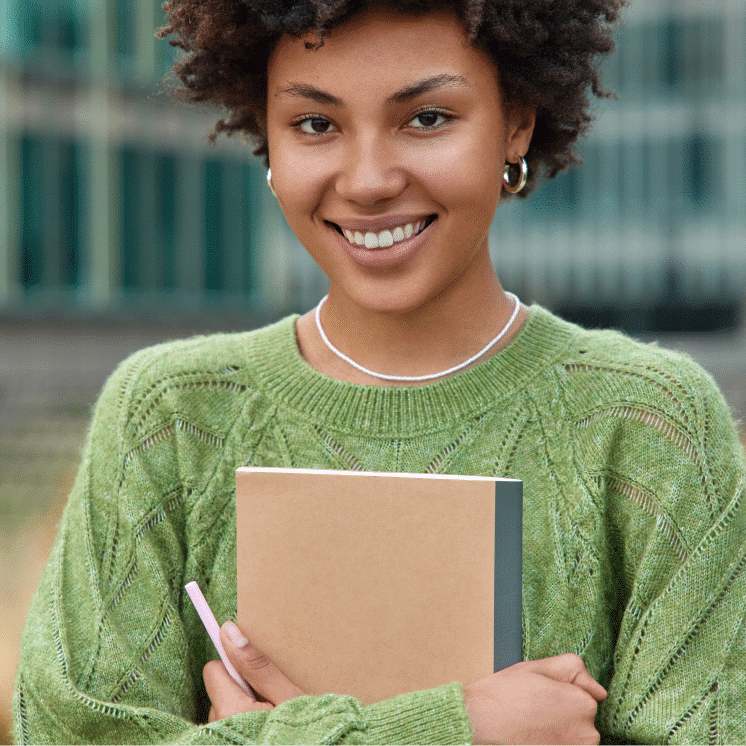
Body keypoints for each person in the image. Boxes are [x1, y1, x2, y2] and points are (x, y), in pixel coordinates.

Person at [13, 0, 746, 743]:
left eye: (427, 118)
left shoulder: (650, 423)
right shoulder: (168, 417)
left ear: (516, 121)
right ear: (266, 133)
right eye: (316, 124)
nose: (367, 181)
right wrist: (459, 730)